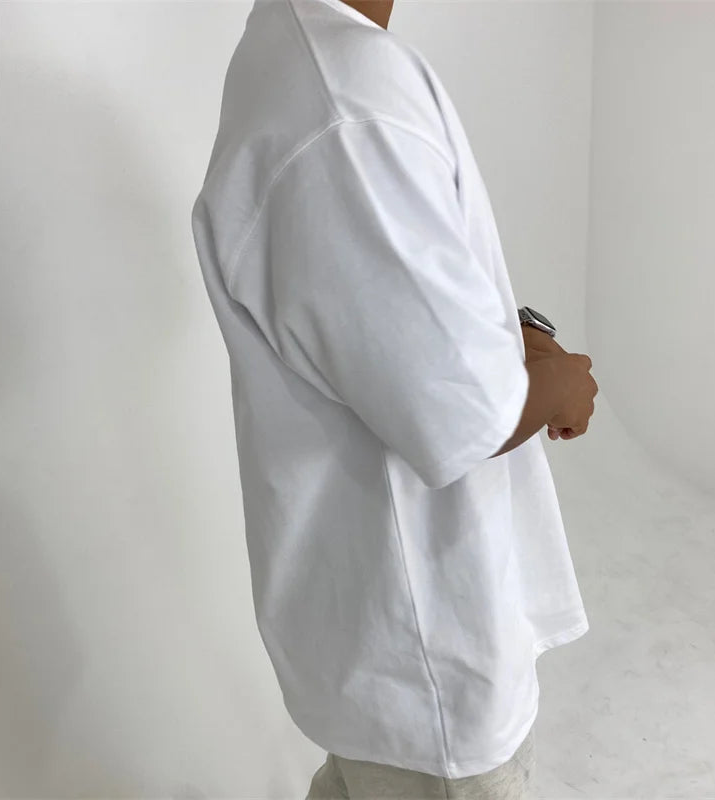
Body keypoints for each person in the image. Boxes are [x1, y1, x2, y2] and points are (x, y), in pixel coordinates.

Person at [190, 0, 598, 796]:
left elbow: (387, 314)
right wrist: (563, 381)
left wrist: (511, 334)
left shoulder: (294, 53)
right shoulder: (347, 104)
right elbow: (461, 415)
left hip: (381, 637)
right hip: (431, 654)